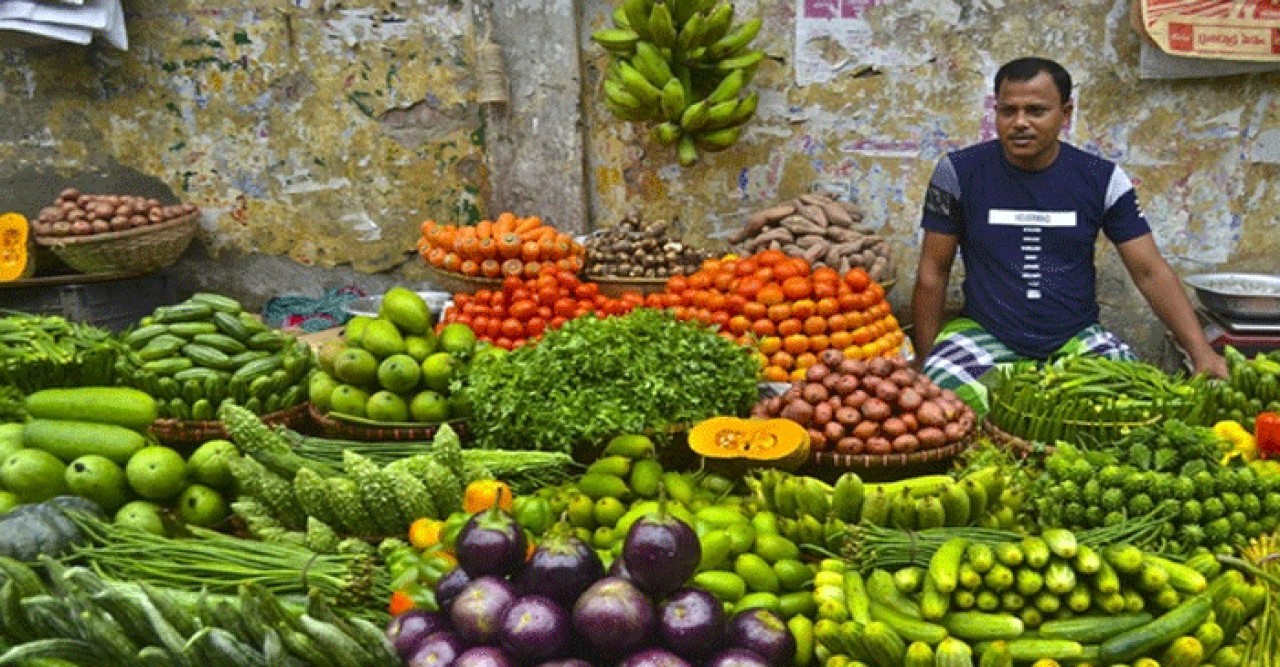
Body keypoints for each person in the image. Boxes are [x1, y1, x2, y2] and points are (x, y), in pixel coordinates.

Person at [909, 56, 1227, 415]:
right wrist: (924, 357)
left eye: (1036, 110)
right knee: (943, 407)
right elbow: (933, 272)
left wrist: (1202, 353)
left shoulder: (1101, 178)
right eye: (1008, 110)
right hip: (985, 335)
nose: (1020, 123)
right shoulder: (959, 172)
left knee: (1136, 406)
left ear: (1066, 113)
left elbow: (1150, 271)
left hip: (1076, 338)